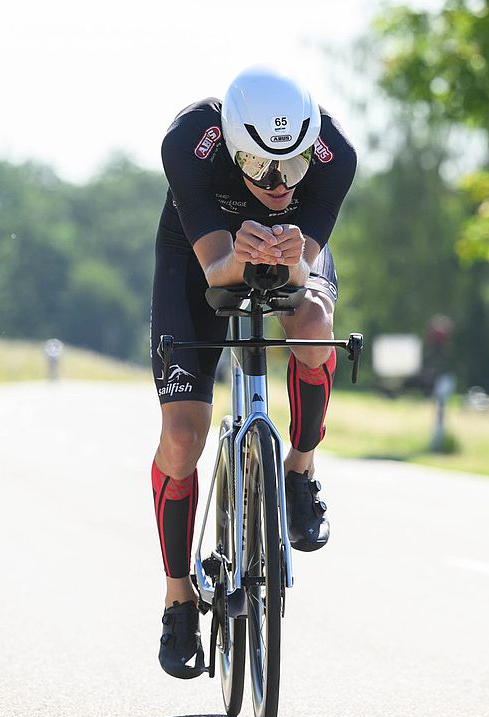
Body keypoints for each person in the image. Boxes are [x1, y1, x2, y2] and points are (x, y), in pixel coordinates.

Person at [149, 66, 357, 679]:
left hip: (290, 254)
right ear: (234, 146)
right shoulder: (190, 140)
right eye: (263, 167)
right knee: (183, 436)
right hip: (201, 255)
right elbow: (216, 270)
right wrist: (241, 253)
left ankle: (299, 467)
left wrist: (291, 263)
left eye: (293, 168)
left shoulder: (335, 154)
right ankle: (178, 595)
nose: (278, 183)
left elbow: (303, 271)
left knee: (313, 324)